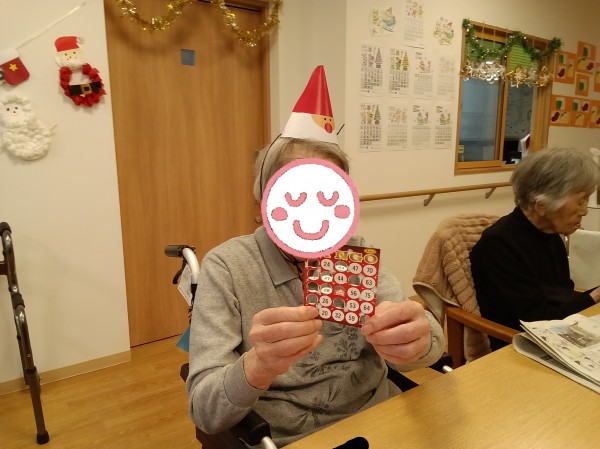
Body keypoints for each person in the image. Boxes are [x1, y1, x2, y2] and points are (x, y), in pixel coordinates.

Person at [186, 66, 445, 448]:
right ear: (265, 200)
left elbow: (427, 346)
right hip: (288, 438)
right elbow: (205, 411)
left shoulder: (353, 254)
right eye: (294, 195)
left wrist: (418, 340)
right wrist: (257, 366)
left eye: (326, 197)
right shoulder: (228, 268)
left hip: (379, 420)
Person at [471, 147, 600, 350]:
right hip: (517, 344)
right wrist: (594, 296)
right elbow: (534, 319)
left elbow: (561, 294)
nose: (584, 211)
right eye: (580, 201)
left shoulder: (548, 232)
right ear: (541, 205)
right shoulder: (499, 244)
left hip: (557, 330)